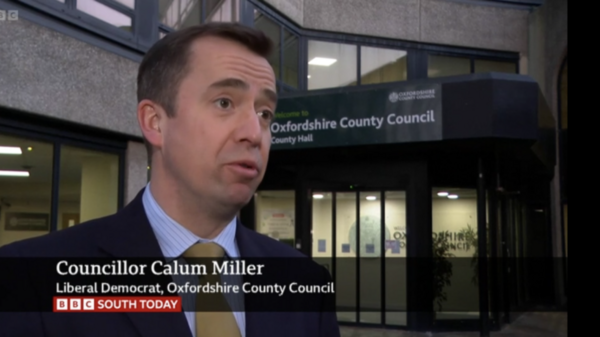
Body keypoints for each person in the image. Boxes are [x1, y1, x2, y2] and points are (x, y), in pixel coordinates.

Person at [0, 22, 340, 337]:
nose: (255, 133)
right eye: (224, 102)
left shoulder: (305, 283)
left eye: (264, 113)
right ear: (155, 122)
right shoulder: (32, 280)